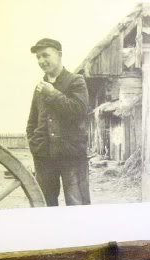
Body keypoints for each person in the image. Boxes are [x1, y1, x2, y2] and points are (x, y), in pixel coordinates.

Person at [26, 38, 90, 206]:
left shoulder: (76, 81)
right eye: (38, 57)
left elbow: (79, 110)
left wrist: (53, 93)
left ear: (59, 54)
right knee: (45, 205)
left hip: (72, 156)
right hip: (44, 157)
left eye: (45, 55)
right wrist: (35, 146)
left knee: (77, 205)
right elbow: (32, 122)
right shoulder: (39, 88)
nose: (41, 61)